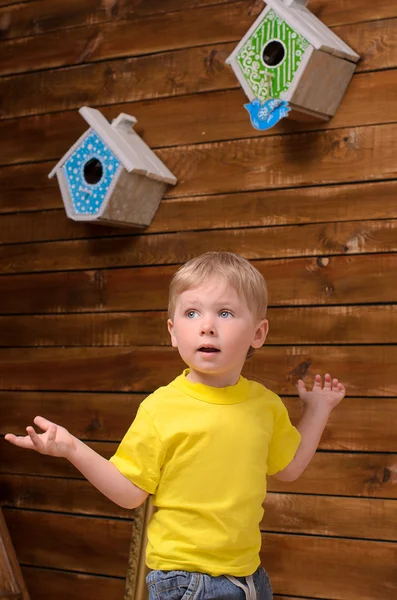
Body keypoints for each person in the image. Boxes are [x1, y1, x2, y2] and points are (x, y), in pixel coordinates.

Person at [5, 251, 345, 600]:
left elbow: (289, 468)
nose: (207, 325)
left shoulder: (265, 406)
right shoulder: (161, 408)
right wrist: (73, 449)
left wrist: (318, 409)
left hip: (250, 577)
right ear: (173, 331)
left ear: (258, 333)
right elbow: (129, 493)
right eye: (192, 312)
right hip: (186, 583)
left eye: (225, 313)